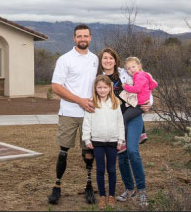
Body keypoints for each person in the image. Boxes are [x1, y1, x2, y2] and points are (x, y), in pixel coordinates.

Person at [47, 24, 99, 205]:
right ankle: (57, 186)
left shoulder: (95, 59)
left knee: (88, 150)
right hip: (69, 112)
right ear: (74, 38)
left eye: (86, 36)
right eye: (79, 36)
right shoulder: (65, 59)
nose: (82, 39)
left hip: (90, 114)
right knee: (63, 150)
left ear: (90, 38)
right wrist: (80, 100)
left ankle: (89, 185)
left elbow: (110, 79)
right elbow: (56, 87)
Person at [96, 47, 152, 208]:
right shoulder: (98, 78)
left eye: (111, 58)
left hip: (132, 115)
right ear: (101, 60)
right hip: (115, 120)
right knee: (122, 156)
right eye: (105, 58)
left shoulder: (125, 73)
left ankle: (141, 190)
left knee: (133, 151)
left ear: (115, 60)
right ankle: (129, 189)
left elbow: (145, 84)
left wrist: (149, 103)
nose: (108, 60)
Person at [82, 75, 125, 209]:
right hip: (97, 142)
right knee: (100, 169)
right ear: (95, 88)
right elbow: (87, 122)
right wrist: (87, 138)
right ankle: (102, 196)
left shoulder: (115, 102)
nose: (102, 90)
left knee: (111, 169)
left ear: (110, 88)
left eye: (105, 87)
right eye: (99, 87)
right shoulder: (92, 103)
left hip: (112, 141)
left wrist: (120, 139)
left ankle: (111, 196)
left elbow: (120, 122)